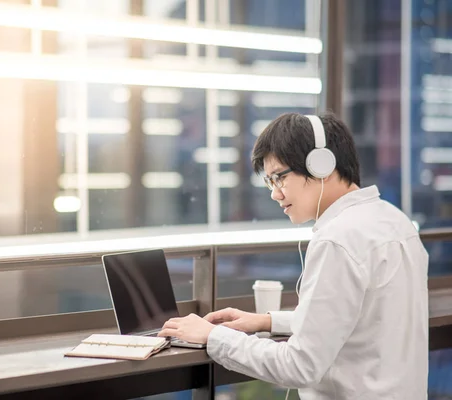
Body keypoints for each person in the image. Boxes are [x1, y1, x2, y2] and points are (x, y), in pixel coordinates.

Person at [159, 112, 429, 399]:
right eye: (269, 182)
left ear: (320, 164)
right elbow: (362, 320)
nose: (275, 194)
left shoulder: (338, 240)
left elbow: (300, 366)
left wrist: (213, 336)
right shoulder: (394, 221)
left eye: (279, 177)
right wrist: (268, 321)